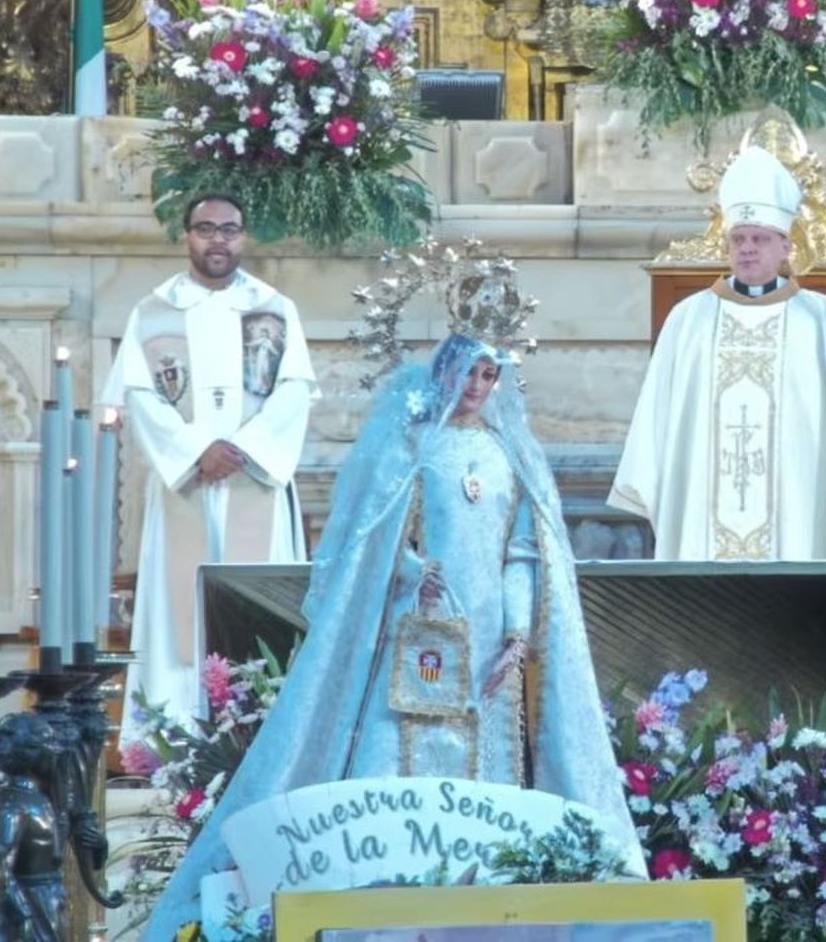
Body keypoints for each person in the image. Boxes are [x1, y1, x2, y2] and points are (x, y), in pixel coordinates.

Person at [145, 330, 645, 938]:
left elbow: (521, 553)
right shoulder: (412, 445)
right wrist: (412, 577)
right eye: (468, 373)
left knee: (487, 785)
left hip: (488, 653)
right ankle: (382, 917)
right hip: (419, 637)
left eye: (489, 377)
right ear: (446, 373)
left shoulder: (508, 455)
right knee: (392, 768)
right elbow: (373, 539)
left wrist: (516, 635)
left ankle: (480, 919)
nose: (476, 388)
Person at [608, 145, 826, 560]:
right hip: (703, 510)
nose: (747, 248)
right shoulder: (689, 319)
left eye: (759, 239)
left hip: (798, 513)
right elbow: (658, 416)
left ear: (786, 247)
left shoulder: (823, 319)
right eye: (738, 239)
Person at [102, 194, 317, 743]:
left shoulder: (274, 308)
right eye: (205, 229)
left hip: (253, 483)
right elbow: (140, 397)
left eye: (229, 229)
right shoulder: (154, 312)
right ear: (186, 236)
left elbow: (294, 390)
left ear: (243, 237)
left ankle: (260, 736)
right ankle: (175, 743)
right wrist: (197, 452)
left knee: (257, 604)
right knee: (182, 612)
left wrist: (242, 449)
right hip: (187, 488)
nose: (218, 239)